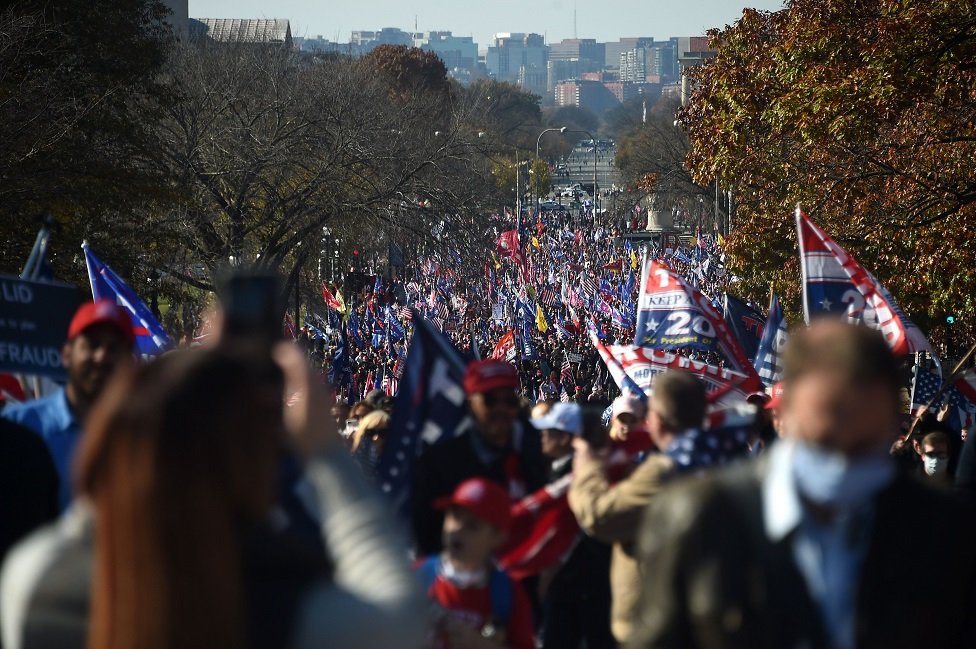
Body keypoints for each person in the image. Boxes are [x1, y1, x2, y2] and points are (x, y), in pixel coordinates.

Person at [1, 345, 426, 649]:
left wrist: (156, 404)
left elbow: (90, 516)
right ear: (248, 469)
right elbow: (400, 622)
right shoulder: (283, 615)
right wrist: (326, 453)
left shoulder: (37, 588)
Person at [628, 322, 976, 649]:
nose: (843, 460)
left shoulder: (944, 529)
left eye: (862, 444)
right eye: (825, 436)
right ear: (786, 412)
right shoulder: (696, 515)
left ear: (890, 417)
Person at [568, 371, 708, 644]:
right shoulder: (718, 458)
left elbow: (599, 515)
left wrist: (588, 467)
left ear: (655, 419)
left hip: (657, 627)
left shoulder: (663, 470)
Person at [3, 300, 134, 509]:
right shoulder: (18, 425)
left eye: (114, 348)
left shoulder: (148, 435)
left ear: (130, 361)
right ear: (66, 354)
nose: (101, 357)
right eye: (92, 344)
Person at [412, 359, 547, 555]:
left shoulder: (540, 449)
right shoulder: (440, 462)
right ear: (470, 404)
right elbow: (426, 534)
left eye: (509, 400)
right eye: (490, 400)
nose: (501, 409)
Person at [529, 403, 614, 649]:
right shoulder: (556, 470)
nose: (542, 436)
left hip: (582, 585)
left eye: (549, 431)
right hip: (568, 587)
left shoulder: (577, 474)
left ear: (565, 438)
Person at [417, 478, 535, 649]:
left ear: (498, 538)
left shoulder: (508, 595)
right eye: (454, 517)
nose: (456, 529)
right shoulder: (414, 577)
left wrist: (479, 644)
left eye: (472, 526)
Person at [351, 410, 391, 479]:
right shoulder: (348, 468)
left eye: (383, 433)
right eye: (370, 433)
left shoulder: (397, 469)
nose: (376, 438)